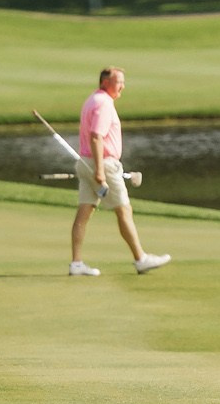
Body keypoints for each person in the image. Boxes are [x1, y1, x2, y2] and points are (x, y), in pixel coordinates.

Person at [70, 66, 170, 277]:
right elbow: (96, 136)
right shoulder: (104, 103)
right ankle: (140, 258)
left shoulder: (92, 99)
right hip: (103, 164)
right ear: (106, 83)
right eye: (119, 82)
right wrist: (99, 171)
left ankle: (76, 263)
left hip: (85, 161)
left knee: (84, 213)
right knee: (124, 210)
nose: (122, 86)